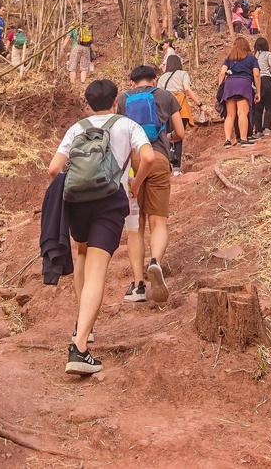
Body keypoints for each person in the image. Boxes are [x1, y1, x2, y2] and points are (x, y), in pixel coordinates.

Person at [48, 79, 154, 375]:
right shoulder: (127, 125)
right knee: (97, 269)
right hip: (109, 203)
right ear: (116, 100)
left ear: (87, 103)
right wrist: (135, 182)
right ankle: (80, 349)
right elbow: (148, 157)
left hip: (77, 204)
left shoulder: (76, 128)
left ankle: (82, 325)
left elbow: (53, 169)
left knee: (82, 255)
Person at [117, 65, 183, 303]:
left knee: (136, 226)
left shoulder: (123, 99)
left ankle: (138, 286)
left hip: (133, 164)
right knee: (158, 222)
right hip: (158, 160)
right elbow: (181, 132)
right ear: (154, 79)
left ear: (132, 81)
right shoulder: (165, 95)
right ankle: (155, 261)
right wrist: (168, 138)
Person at [158, 55, 204, 175]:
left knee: (166, 136)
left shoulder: (162, 77)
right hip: (180, 108)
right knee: (178, 136)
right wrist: (199, 103)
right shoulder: (183, 74)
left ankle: (166, 167)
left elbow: (158, 94)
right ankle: (177, 169)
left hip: (165, 109)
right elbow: (187, 90)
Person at [217, 35, 260, 147]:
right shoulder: (252, 58)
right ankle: (244, 140)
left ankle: (227, 140)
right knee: (242, 113)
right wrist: (258, 92)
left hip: (230, 85)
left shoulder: (229, 58)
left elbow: (222, 73)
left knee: (230, 115)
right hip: (243, 85)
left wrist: (220, 86)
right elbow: (256, 74)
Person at [250, 36, 271, 139]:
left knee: (258, 107)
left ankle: (258, 131)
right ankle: (267, 128)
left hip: (255, 82)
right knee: (269, 106)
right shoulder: (268, 54)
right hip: (266, 80)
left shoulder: (253, 56)